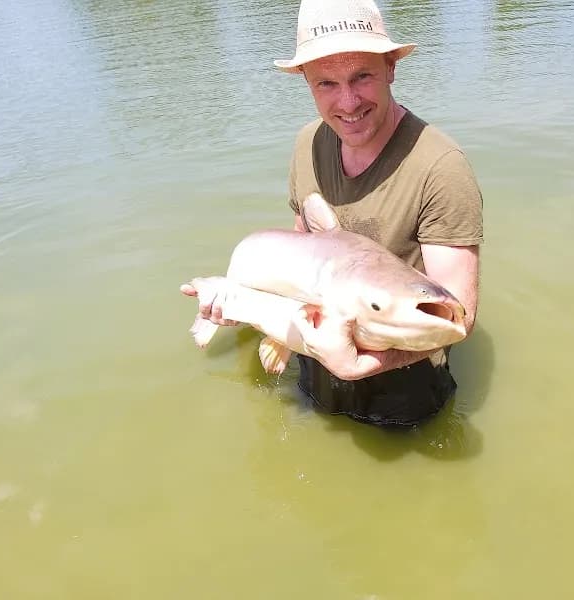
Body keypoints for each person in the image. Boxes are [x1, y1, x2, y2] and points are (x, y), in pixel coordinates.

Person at [191, 0, 483, 427]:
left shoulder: (441, 167)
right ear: (307, 83)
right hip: (315, 365)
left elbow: (462, 318)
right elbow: (301, 251)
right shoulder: (309, 143)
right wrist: (246, 309)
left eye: (361, 76)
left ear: (390, 68)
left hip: (405, 389)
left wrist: (363, 364)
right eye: (326, 83)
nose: (347, 102)